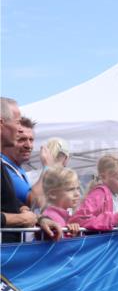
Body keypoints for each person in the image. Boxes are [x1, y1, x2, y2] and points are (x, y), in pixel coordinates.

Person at [0, 98, 61, 241]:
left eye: (31, 139)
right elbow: (33, 200)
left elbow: (11, 203)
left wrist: (39, 219)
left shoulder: (5, 167)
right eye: (17, 122)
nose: (19, 128)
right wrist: (18, 219)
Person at [39, 166, 82, 239]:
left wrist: (75, 232)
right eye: (71, 189)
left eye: (78, 188)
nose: (77, 194)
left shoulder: (67, 214)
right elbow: (63, 246)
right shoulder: (51, 217)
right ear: (53, 194)